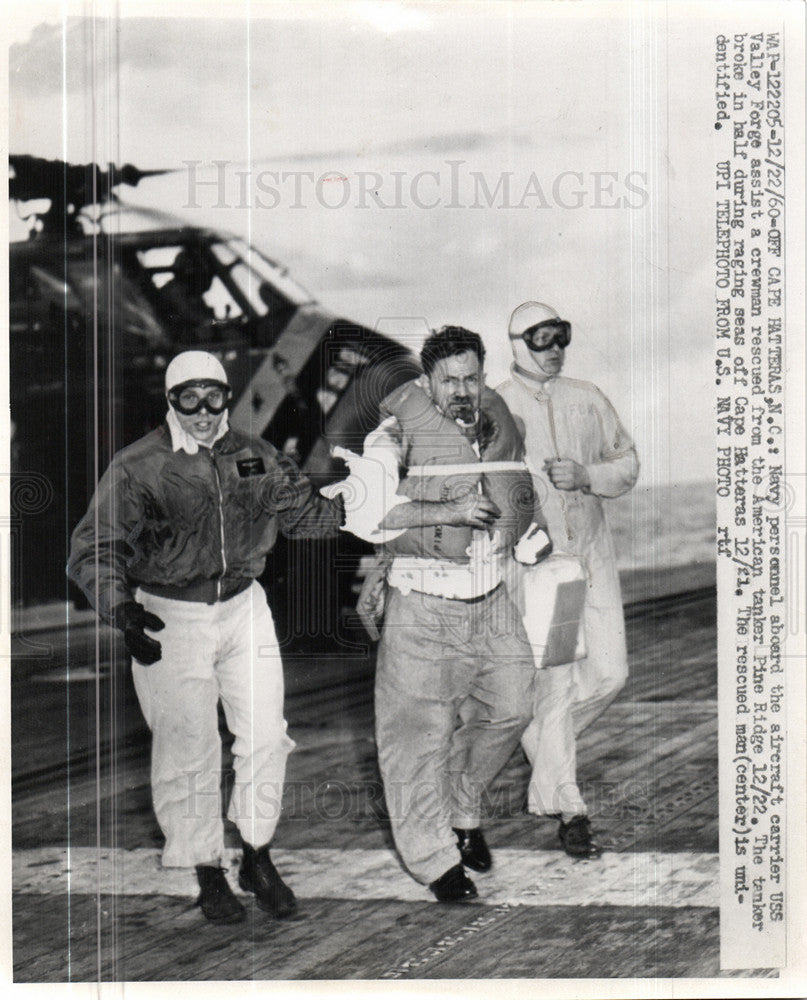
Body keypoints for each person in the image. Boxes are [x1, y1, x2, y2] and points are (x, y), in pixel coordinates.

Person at [67, 350, 343, 924]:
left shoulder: (256, 455)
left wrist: (357, 501)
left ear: (225, 395)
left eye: (212, 395)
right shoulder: (137, 465)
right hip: (171, 615)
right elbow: (97, 547)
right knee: (187, 746)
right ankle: (207, 869)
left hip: (243, 608)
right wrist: (120, 609)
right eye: (186, 397)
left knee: (267, 734)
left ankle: (257, 854)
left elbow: (304, 516)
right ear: (170, 401)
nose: (201, 410)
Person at [324, 326, 548, 902]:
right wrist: (443, 507)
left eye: (472, 377)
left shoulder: (501, 431)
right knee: (415, 743)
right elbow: (363, 515)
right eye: (449, 380)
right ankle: (435, 862)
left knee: (513, 709)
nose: (462, 390)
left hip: (492, 602)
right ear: (427, 381)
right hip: (421, 609)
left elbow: (520, 497)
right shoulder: (391, 438)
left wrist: (535, 544)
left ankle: (463, 807)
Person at [497, 302, 640, 858]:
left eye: (561, 339)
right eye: (541, 340)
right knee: (555, 685)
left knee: (611, 674)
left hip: (594, 554)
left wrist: (588, 476)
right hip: (543, 568)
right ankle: (570, 807)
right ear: (517, 344)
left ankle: (529, 741)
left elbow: (627, 463)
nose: (554, 349)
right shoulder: (498, 407)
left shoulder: (587, 397)